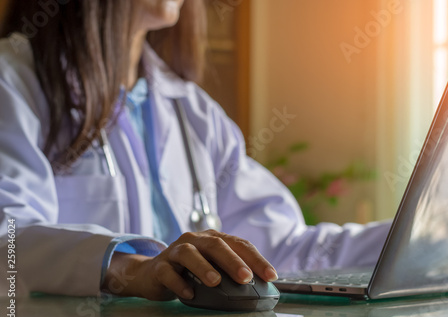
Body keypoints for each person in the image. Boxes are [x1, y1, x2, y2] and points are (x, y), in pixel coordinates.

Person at [0, 0, 391, 301]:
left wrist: (424, 237)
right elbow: (8, 244)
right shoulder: (12, 82)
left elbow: (284, 250)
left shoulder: (194, 111)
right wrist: (131, 268)